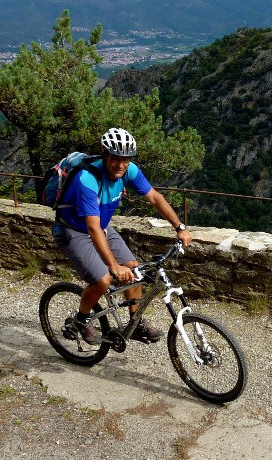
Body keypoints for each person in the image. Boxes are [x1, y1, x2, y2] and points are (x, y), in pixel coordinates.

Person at [53, 127, 192, 346]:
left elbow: (155, 198)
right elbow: (92, 228)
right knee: (103, 279)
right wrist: (113, 266)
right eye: (115, 159)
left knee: (135, 269)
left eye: (125, 160)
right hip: (74, 231)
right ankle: (80, 320)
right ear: (104, 154)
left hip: (103, 228)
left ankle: (134, 324)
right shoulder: (87, 179)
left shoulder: (129, 171)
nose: (120, 165)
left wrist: (179, 226)